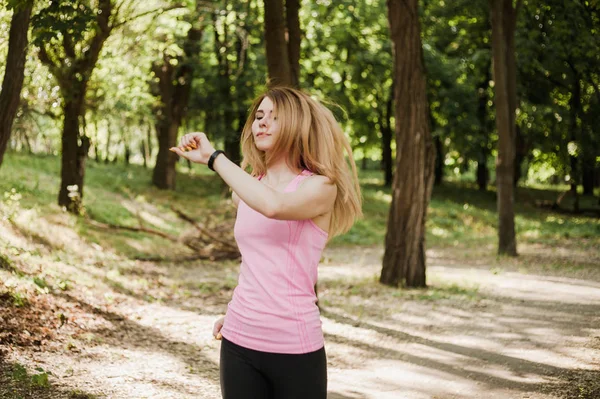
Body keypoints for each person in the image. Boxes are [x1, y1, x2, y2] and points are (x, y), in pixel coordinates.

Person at [169, 87, 362, 399]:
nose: (262, 122)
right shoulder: (246, 189)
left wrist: (213, 158)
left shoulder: (320, 187)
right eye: (259, 116)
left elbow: (275, 206)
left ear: (297, 125)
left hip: (294, 345)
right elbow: (258, 262)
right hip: (239, 338)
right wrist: (237, 313)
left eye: (274, 117)